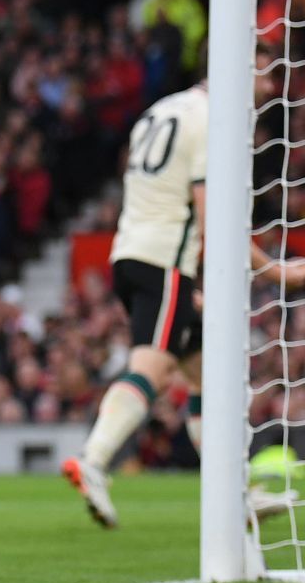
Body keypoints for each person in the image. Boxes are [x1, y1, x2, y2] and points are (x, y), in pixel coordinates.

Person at [64, 55, 303, 526]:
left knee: (206, 374)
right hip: (164, 261)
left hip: (133, 254)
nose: (270, 83)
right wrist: (276, 272)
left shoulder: (162, 109)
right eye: (262, 69)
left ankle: (237, 493)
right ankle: (94, 460)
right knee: (151, 366)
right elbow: (215, 219)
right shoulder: (215, 121)